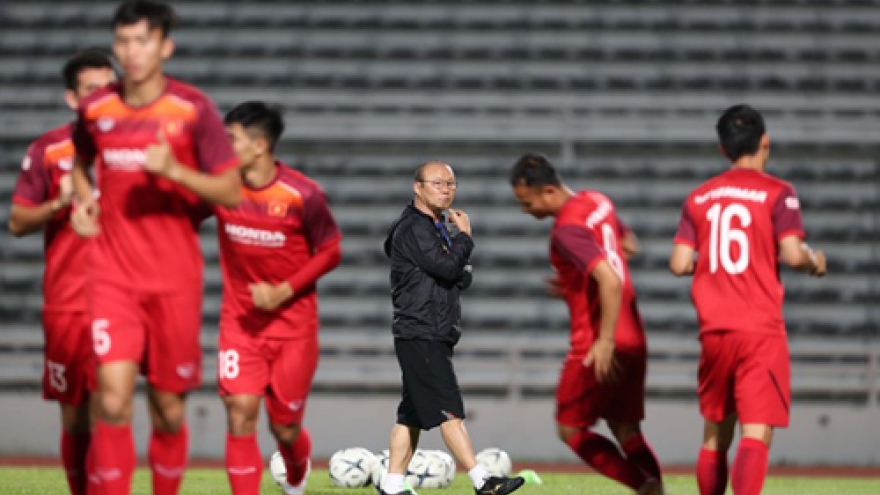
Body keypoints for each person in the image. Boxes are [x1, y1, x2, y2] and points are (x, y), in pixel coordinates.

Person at [67, 2, 241, 494]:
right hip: (112, 278)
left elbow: (230, 190)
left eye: (142, 41)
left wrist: (175, 172)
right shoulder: (96, 108)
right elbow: (81, 162)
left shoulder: (192, 110)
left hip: (174, 283)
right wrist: (87, 203)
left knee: (167, 410)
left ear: (165, 46)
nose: (131, 52)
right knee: (113, 401)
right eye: (123, 41)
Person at [669, 104, 826, 495]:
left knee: (715, 436)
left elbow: (678, 263)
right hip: (758, 329)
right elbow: (791, 254)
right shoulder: (779, 193)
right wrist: (814, 261)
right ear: (765, 142)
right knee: (755, 434)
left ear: (723, 150)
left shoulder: (699, 197)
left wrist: (715, 266)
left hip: (714, 331)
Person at [510, 154, 664, 495]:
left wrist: (604, 340)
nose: (526, 210)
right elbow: (628, 245)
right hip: (634, 335)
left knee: (571, 428)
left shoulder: (566, 228)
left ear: (548, 191)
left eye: (527, 202)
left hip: (597, 340)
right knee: (626, 429)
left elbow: (608, 280)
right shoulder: (597, 200)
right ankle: (657, 489)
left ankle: (644, 486)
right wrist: (574, 282)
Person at [214, 101, 342, 495]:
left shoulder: (303, 195)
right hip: (240, 324)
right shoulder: (221, 187)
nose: (222, 145)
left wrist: (283, 291)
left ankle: (296, 472)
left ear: (259, 145)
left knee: (283, 426)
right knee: (241, 414)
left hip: (294, 330)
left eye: (230, 138)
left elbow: (331, 250)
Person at [380, 161, 525, 495]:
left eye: (451, 184)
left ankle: (391, 486)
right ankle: (482, 481)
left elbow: (462, 276)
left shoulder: (434, 226)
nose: (446, 189)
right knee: (450, 409)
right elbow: (448, 268)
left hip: (430, 330)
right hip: (422, 330)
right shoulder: (416, 228)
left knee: (411, 415)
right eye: (438, 183)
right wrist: (465, 239)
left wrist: (457, 253)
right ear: (417, 187)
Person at [8, 49, 115, 495]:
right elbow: (17, 222)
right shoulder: (49, 150)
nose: (103, 96)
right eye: (92, 89)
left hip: (120, 296)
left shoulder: (138, 147)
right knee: (75, 414)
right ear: (72, 98)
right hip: (67, 301)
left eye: (110, 87)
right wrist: (59, 202)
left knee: (113, 404)